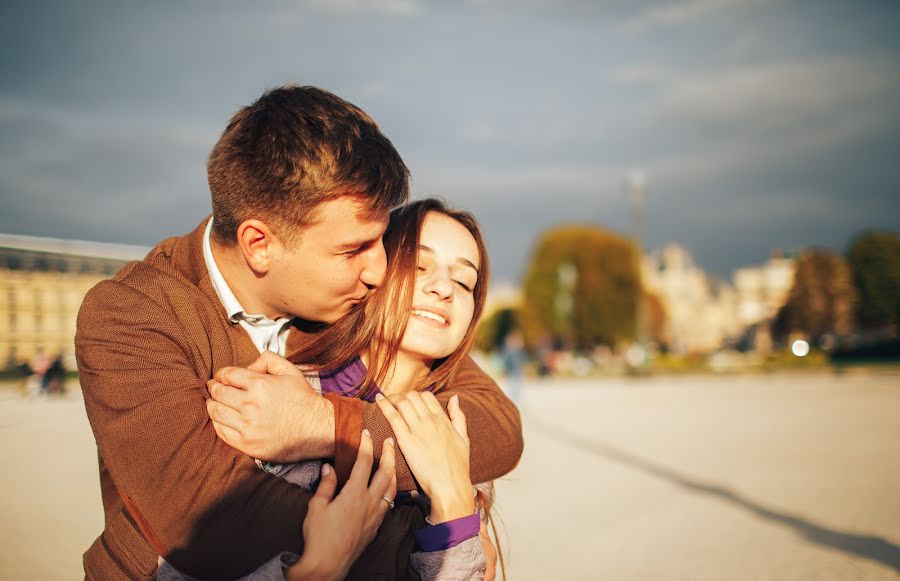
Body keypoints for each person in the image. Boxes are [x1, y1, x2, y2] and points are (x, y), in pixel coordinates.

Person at [75, 85, 523, 580]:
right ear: (260, 245)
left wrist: (326, 424)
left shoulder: (347, 296)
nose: (380, 270)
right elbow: (209, 520)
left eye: (381, 242)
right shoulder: (131, 316)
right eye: (355, 249)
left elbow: (497, 427)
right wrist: (445, 518)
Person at [206, 198, 500, 579]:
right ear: (373, 274)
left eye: (464, 281)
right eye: (418, 265)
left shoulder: (461, 429)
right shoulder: (287, 396)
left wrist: (454, 504)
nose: (444, 288)